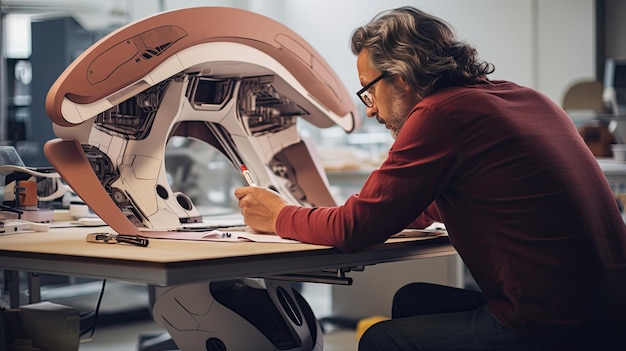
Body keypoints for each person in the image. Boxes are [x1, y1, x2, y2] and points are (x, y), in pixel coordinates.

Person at [234, 6, 626, 351]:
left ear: (401, 78)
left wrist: (279, 215)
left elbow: (354, 229)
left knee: (379, 339)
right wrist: (380, 210)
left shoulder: (440, 114)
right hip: (608, 312)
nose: (369, 111)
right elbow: (455, 198)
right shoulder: (526, 98)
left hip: (553, 327)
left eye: (368, 92)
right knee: (413, 300)